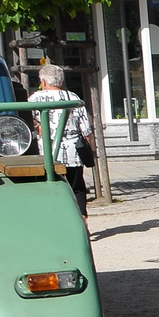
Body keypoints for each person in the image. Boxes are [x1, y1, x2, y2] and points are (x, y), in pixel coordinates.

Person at [28, 63, 95, 216]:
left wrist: (39, 128)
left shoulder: (34, 99)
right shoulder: (73, 98)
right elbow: (86, 130)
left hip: (47, 152)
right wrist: (89, 148)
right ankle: (82, 219)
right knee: (77, 188)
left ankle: (57, 217)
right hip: (73, 151)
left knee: (51, 186)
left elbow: (29, 122)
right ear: (61, 81)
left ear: (43, 81)